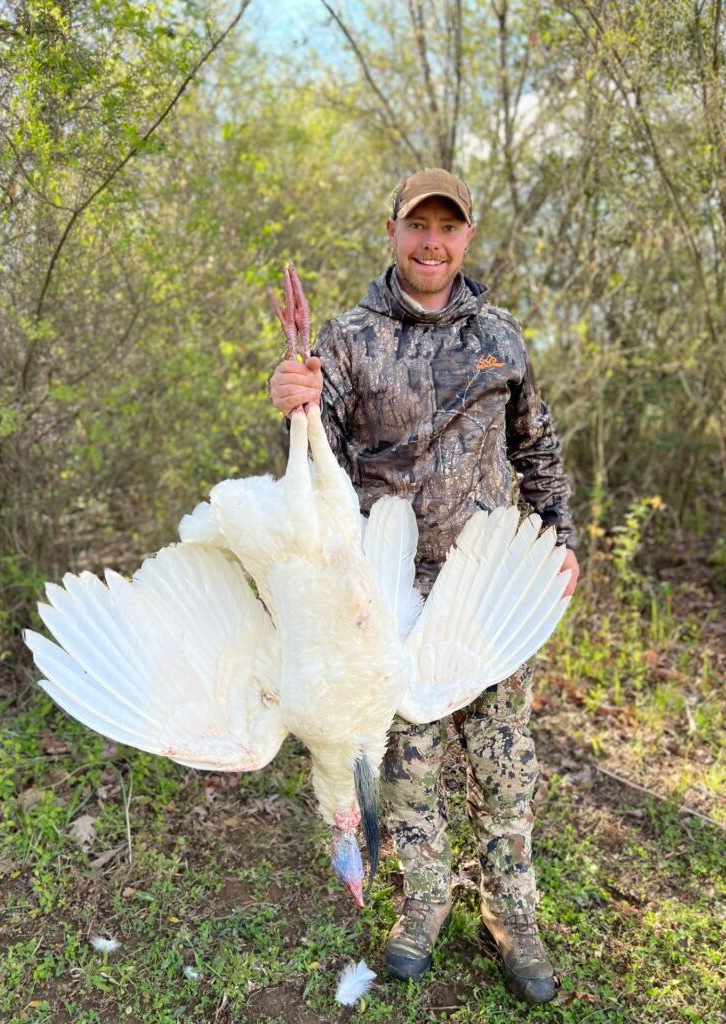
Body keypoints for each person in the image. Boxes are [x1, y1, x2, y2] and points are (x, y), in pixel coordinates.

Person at [268, 168, 579, 1005]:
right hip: (387, 596)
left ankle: (514, 913)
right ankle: (426, 902)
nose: (432, 242)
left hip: (481, 592)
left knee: (504, 763)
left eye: (448, 227)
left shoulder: (501, 337)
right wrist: (287, 398)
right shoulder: (345, 339)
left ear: (467, 237)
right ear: (394, 232)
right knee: (405, 768)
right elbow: (307, 466)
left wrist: (559, 538)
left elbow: (537, 451)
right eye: (418, 226)